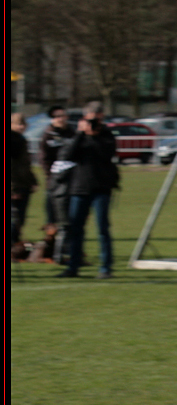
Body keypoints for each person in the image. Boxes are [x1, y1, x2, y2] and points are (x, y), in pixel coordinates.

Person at [56, 101, 119, 279]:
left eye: (97, 119)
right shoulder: (79, 135)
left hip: (101, 188)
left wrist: (94, 135)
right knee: (76, 229)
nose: (94, 123)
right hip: (79, 187)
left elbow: (106, 154)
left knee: (102, 228)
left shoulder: (106, 134)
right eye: (90, 119)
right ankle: (73, 267)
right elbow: (67, 155)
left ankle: (105, 268)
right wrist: (81, 134)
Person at [40, 105, 76, 263]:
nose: (61, 118)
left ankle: (69, 250)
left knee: (70, 220)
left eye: (63, 115)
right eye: (58, 116)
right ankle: (52, 251)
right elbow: (44, 159)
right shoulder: (48, 135)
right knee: (53, 219)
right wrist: (51, 178)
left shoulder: (73, 133)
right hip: (55, 182)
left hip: (73, 181)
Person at [9, 112, 38, 249]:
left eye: (23, 124)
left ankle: (15, 242)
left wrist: (32, 181)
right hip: (15, 186)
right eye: (18, 124)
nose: (21, 127)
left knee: (20, 218)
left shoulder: (21, 139)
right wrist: (12, 189)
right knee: (14, 217)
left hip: (23, 184)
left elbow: (25, 164)